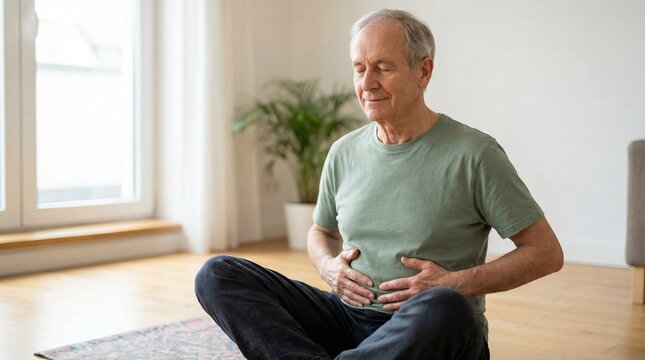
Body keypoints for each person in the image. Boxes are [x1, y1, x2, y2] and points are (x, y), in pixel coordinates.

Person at [195, 9, 563, 360]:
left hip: (430, 328)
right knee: (218, 274)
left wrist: (455, 283)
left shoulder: (475, 154)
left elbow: (545, 252)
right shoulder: (344, 151)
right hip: (348, 318)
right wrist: (328, 268)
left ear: (424, 71)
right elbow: (319, 232)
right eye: (359, 69)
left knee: (445, 308)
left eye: (383, 68)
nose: (367, 83)